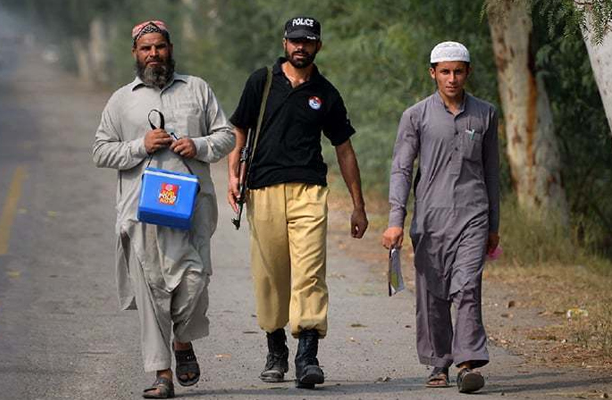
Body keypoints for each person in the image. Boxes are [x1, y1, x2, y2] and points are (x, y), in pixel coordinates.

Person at [92, 20, 234, 399]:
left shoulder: (197, 89)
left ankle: (183, 341)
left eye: (159, 47)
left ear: (170, 49)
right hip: (142, 213)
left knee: (194, 282)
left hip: (191, 210)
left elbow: (227, 136)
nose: (153, 54)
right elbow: (101, 150)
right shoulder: (123, 99)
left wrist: (198, 146)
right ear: (135, 54)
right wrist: (140, 145)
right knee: (152, 291)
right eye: (145, 49)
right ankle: (162, 374)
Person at [227, 15, 368, 389]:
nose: (300, 47)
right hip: (262, 189)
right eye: (294, 41)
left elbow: (344, 148)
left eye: (307, 41)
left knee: (309, 273)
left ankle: (308, 356)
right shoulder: (262, 81)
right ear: (284, 43)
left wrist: (358, 204)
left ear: (318, 45)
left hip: (309, 191)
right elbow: (240, 128)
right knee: (270, 274)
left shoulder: (326, 92)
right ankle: (276, 349)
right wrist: (233, 175)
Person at [381, 41, 500, 394]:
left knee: (467, 287)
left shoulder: (485, 113)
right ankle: (438, 361)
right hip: (429, 219)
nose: (452, 78)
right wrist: (395, 219)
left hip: (473, 215)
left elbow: (492, 171)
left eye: (458, 71)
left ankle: (468, 363)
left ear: (468, 73)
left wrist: (494, 224)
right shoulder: (415, 115)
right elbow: (402, 169)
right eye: (444, 71)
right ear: (433, 73)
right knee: (433, 294)